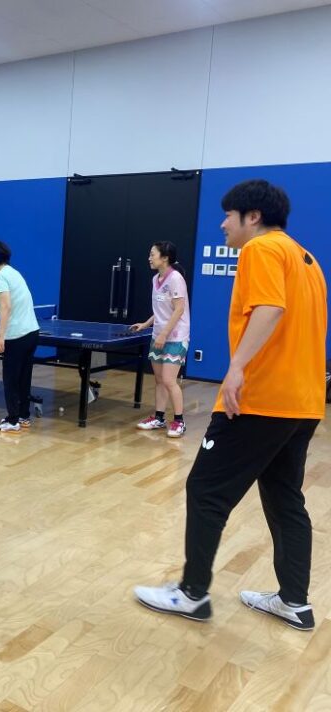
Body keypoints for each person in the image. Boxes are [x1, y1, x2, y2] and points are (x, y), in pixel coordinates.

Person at [135, 179, 327, 631]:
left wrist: (237, 367)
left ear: (252, 217)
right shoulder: (308, 259)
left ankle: (192, 594)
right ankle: (294, 602)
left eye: (228, 215)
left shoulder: (261, 249)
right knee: (284, 497)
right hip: (303, 403)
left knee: (206, 489)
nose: (222, 224)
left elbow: (270, 308)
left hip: (259, 400)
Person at [0, 240, 40, 433]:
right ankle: (23, 416)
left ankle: (12, 421)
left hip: (17, 336)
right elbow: (8, 304)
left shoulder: (0, 277)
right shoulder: (14, 273)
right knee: (24, 378)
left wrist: (0, 337)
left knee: (11, 379)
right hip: (32, 333)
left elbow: (6, 307)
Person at [130, 242, 191, 438]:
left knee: (169, 380)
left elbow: (179, 310)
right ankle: (159, 418)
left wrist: (164, 334)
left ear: (165, 258)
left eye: (152, 254)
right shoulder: (155, 279)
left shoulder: (176, 279)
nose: (149, 258)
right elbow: (160, 310)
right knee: (159, 380)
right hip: (158, 335)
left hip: (175, 336)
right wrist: (146, 324)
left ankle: (179, 421)